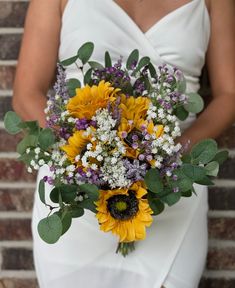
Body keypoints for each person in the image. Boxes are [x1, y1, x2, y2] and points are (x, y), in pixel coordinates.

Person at [12, 0, 235, 287]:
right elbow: (26, 93)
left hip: (172, 189)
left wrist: (166, 157)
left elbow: (229, 94)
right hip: (77, 197)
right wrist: (87, 157)